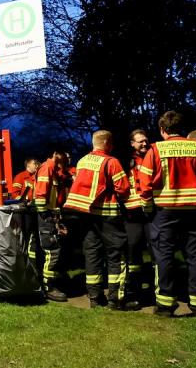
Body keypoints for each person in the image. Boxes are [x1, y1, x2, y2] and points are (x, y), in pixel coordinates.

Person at [139, 111, 196, 317]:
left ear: (162, 129)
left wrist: (147, 209)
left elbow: (145, 184)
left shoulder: (156, 150)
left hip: (165, 211)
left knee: (164, 256)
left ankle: (166, 305)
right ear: (181, 128)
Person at [63, 130, 131, 309]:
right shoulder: (112, 161)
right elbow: (123, 189)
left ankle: (95, 298)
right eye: (112, 142)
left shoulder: (82, 161)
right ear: (107, 142)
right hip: (109, 216)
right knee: (116, 255)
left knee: (92, 254)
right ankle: (115, 299)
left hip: (87, 215)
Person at [33, 149, 70, 302]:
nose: (68, 157)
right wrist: (47, 218)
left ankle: (51, 282)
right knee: (51, 251)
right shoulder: (47, 168)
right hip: (45, 217)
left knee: (54, 250)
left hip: (51, 215)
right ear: (56, 153)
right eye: (65, 154)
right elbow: (41, 196)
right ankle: (48, 287)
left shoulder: (55, 170)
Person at [123, 129, 152, 307]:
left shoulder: (153, 157)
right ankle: (133, 292)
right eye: (140, 141)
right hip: (132, 213)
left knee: (157, 251)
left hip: (151, 212)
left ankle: (159, 293)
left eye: (145, 140)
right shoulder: (126, 161)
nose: (144, 144)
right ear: (132, 143)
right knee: (133, 251)